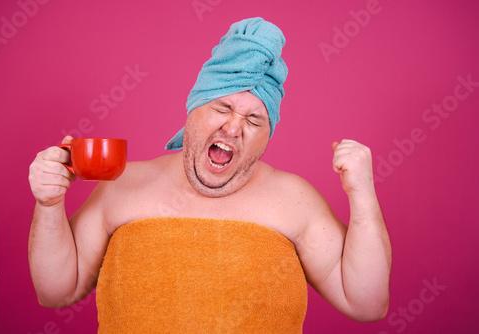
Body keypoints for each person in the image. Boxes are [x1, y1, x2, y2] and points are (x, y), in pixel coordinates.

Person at [28, 17, 391, 332]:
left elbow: (366, 303)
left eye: (254, 119)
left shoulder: (295, 200)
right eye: (223, 107)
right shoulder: (122, 186)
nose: (234, 128)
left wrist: (362, 193)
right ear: (193, 111)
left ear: (267, 137)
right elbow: (57, 290)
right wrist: (48, 204)